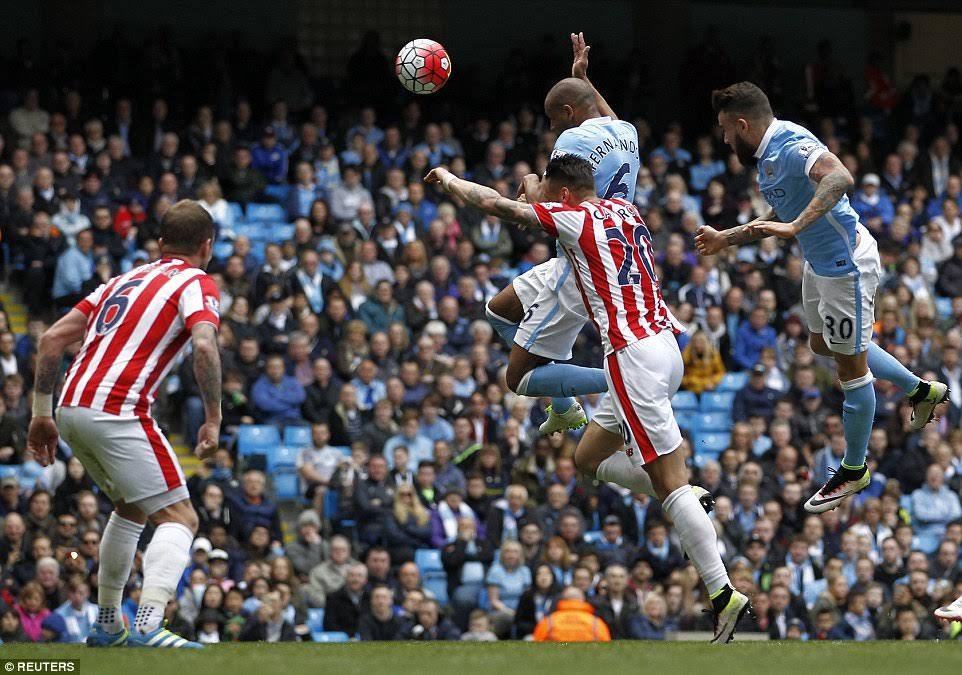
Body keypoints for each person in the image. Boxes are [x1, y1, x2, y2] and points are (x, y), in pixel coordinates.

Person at [425, 153, 747, 644]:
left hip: (632, 357)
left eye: (554, 195)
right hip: (666, 344)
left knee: (672, 482)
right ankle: (683, 497)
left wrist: (449, 179)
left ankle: (722, 593)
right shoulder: (627, 210)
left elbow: (498, 206)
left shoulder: (573, 217)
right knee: (588, 456)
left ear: (567, 196)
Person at [696, 81, 948, 513]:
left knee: (851, 370)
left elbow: (840, 177)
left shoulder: (791, 144)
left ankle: (853, 468)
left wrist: (795, 229)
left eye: (725, 130)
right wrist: (727, 238)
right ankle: (921, 390)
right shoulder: (767, 157)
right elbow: (784, 208)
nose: (723, 139)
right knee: (822, 344)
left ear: (742, 124)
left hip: (844, 266)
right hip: (819, 262)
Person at [27, 200, 222, 649]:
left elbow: (52, 338)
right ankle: (150, 624)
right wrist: (212, 416)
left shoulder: (122, 279)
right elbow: (206, 347)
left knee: (130, 508)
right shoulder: (196, 281)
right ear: (206, 246)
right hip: (118, 408)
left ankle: (109, 624)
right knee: (180, 517)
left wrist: (40, 413)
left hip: (70, 408)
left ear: (159, 243)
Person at [483, 32, 631, 436]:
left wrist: (529, 177)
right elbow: (604, 115)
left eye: (553, 119)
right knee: (498, 311)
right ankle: (566, 408)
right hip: (589, 250)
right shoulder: (627, 132)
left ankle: (623, 381)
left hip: (579, 262)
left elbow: (542, 206)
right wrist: (583, 77)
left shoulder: (572, 139)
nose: (551, 128)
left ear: (568, 112)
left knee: (518, 380)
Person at [532, 586, 611, 642]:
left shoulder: (548, 622)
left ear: (562, 599)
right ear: (583, 600)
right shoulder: (596, 623)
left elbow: (536, 647)